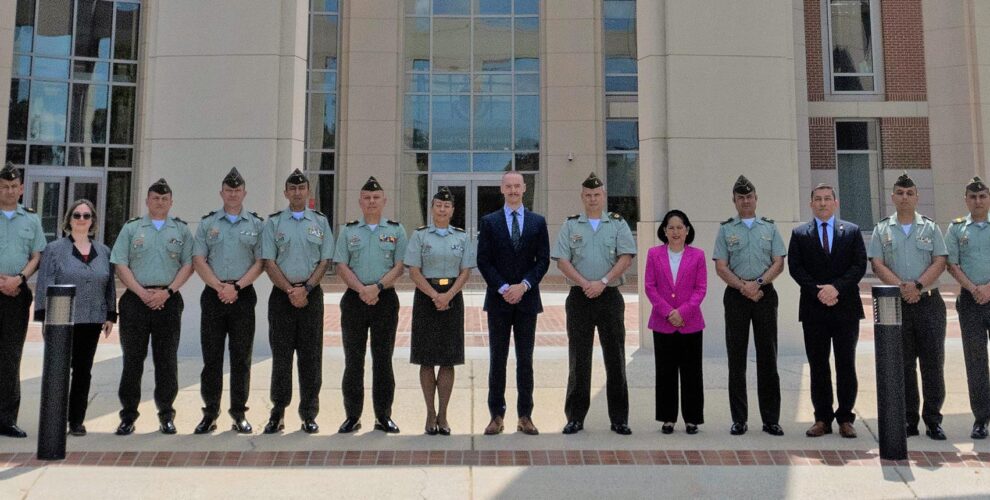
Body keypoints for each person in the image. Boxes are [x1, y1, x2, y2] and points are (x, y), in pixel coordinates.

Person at [551, 172, 635, 436]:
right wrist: (585, 282)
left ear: (604, 196)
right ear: (582, 197)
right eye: (588, 195)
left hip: (609, 296)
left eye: (597, 194)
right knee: (579, 359)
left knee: (615, 358)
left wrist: (602, 281)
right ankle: (575, 417)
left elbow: (626, 257)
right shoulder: (571, 225)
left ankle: (619, 418)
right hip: (580, 297)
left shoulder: (617, 224)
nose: (592, 199)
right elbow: (561, 260)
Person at [110, 178, 194, 435]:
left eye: (164, 198)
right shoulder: (132, 228)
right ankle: (128, 416)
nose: (159, 202)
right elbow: (120, 264)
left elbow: (188, 265)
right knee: (132, 361)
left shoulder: (180, 230)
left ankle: (166, 415)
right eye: (155, 198)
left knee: (166, 361)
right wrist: (141, 292)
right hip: (136, 300)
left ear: (171, 202)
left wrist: (167, 292)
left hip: (167, 301)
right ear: (147, 201)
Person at [868, 172, 948, 440]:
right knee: (903, 364)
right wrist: (904, 288)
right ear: (892, 197)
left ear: (916, 197)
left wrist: (918, 286)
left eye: (909, 193)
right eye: (900, 193)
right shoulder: (882, 229)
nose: (904, 197)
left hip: (928, 303)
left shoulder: (930, 227)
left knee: (933, 362)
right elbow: (877, 263)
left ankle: (934, 420)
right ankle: (908, 420)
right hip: (897, 302)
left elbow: (939, 260)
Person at [787, 184, 867, 439]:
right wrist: (819, 291)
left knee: (846, 364)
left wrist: (836, 289)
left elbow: (859, 265)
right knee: (818, 365)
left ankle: (845, 418)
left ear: (836, 202)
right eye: (817, 199)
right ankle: (822, 418)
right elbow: (795, 268)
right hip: (814, 309)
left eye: (827, 199)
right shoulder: (800, 234)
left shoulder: (852, 232)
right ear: (811, 204)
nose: (822, 203)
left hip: (845, 309)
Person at [192, 167, 264, 434]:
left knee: (241, 358)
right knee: (212, 358)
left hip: (243, 295)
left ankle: (238, 414)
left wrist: (237, 286)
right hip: (214, 295)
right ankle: (210, 413)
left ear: (244, 193)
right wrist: (220, 286)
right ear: (221, 193)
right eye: (228, 190)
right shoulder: (208, 223)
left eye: (237, 190)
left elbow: (261, 262)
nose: (233, 194)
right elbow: (198, 260)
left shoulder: (256, 224)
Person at [260, 169, 333, 434]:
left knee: (311, 357)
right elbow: (269, 261)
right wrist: (291, 290)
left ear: (308, 192)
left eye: (301, 188)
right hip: (282, 297)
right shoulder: (274, 223)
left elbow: (325, 260)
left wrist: (307, 288)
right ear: (286, 193)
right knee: (281, 357)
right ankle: (278, 412)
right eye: (292, 189)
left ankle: (309, 414)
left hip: (312, 296)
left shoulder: (320, 222)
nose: (297, 193)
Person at [35, 200, 116, 437]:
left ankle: (76, 420)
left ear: (93, 221)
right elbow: (44, 284)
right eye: (77, 215)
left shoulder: (103, 251)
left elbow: (109, 284)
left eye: (86, 216)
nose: (81, 220)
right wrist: (43, 317)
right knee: (58, 371)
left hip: (91, 318)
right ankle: (55, 419)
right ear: (69, 220)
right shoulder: (54, 249)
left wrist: (110, 314)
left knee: (83, 371)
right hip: (62, 317)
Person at [712, 175, 786, 436]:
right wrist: (743, 287)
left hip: (764, 295)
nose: (745, 201)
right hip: (736, 297)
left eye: (749, 197)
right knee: (737, 359)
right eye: (740, 197)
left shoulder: (770, 228)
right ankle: (739, 419)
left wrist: (757, 283)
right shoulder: (726, 229)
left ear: (756, 199)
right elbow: (721, 266)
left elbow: (779, 261)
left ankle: (770, 419)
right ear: (734, 201)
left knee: (768, 358)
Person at [477, 170, 550, 436]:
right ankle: (496, 416)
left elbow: (543, 260)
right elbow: (483, 260)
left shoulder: (537, 222)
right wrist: (504, 287)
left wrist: (524, 286)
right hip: (499, 301)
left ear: (525, 188)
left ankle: (525, 415)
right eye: (508, 186)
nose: (513, 190)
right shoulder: (489, 222)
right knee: (498, 359)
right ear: (501, 189)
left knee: (525, 360)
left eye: (517, 186)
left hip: (527, 300)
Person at [334, 176, 407, 434]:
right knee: (353, 360)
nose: (372, 201)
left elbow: (400, 266)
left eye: (376, 198)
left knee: (383, 360)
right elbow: (341, 264)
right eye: (367, 198)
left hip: (384, 299)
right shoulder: (349, 230)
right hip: (354, 299)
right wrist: (361, 289)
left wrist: (376, 288)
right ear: (360, 202)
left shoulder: (396, 231)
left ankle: (383, 415)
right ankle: (352, 416)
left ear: (384, 201)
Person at [404, 186, 475, 435]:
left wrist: (448, 296)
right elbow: (413, 270)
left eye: (447, 206)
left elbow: (465, 271)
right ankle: (429, 413)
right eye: (438, 205)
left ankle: (443, 415)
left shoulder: (461, 237)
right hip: (426, 298)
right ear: (432, 208)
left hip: (452, 297)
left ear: (453, 210)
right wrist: (435, 295)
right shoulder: (420, 236)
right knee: (426, 359)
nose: (442, 209)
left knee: (448, 359)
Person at [645, 209, 707, 434]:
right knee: (665, 372)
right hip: (663, 323)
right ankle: (667, 418)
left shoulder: (698, 255)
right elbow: (650, 287)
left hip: (690, 323)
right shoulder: (654, 254)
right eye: (671, 227)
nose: (675, 231)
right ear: (664, 231)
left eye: (680, 227)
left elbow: (700, 289)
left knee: (692, 372)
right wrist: (668, 312)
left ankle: (692, 419)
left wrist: (683, 312)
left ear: (687, 230)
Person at [0, 163, 46, 438]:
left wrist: (18, 279)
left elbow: (37, 255)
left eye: (13, 187)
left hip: (17, 294)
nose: (9, 191)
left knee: (10, 357)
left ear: (21, 190)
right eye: (4, 186)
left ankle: (6, 419)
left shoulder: (31, 219)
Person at [944, 176, 990, 439]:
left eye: (982, 196)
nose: (978, 201)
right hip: (971, 301)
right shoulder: (957, 228)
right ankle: (981, 417)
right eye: (973, 197)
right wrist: (974, 289)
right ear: (966, 200)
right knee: (976, 361)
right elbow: (952, 264)